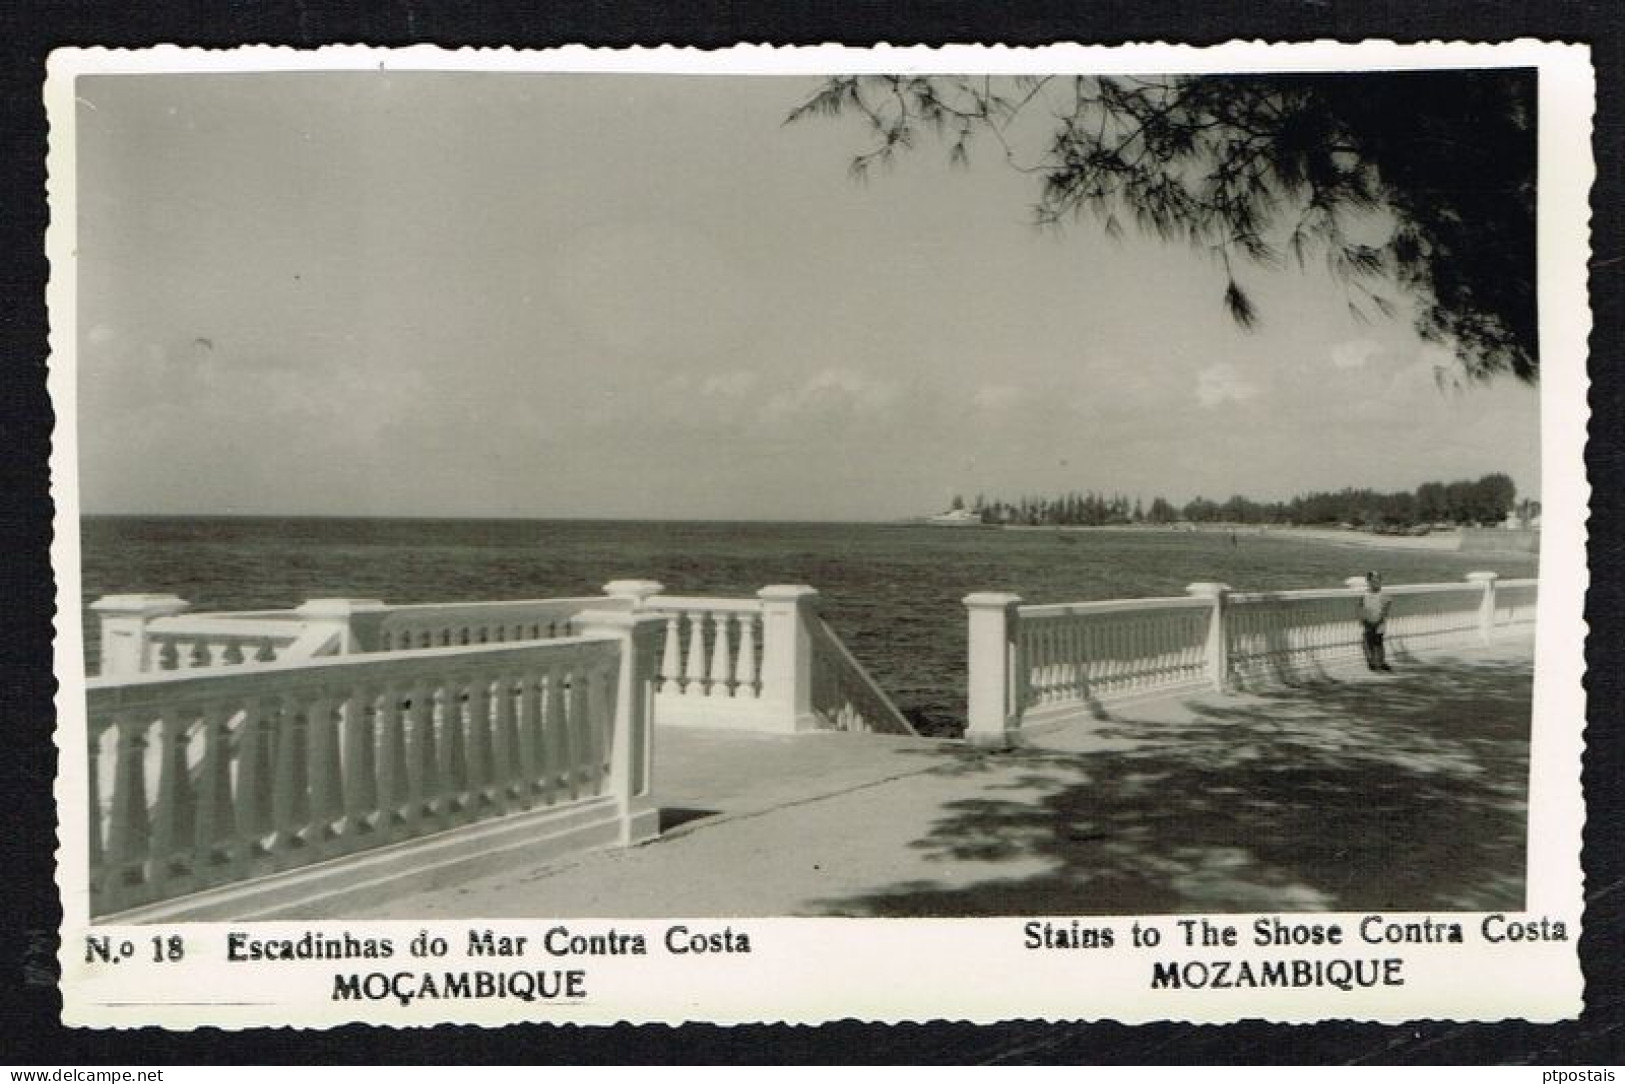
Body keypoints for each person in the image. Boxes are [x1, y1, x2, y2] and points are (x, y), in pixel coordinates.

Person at [1357, 571, 1393, 671]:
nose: (1376, 583)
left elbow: (1387, 606)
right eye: (1373, 581)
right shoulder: (1364, 594)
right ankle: (1371, 662)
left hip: (1379, 622)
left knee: (1379, 643)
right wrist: (1362, 619)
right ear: (1368, 582)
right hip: (1368, 621)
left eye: (1378, 581)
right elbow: (1361, 606)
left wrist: (1381, 619)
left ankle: (1381, 662)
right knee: (1369, 642)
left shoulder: (1383, 594)